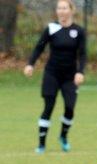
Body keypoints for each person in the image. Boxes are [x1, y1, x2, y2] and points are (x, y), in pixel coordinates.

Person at [23, 0, 86, 153]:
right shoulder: (51, 28)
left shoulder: (78, 31)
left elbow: (83, 54)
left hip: (70, 76)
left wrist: (80, 72)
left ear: (71, 10)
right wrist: (30, 64)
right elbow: (39, 47)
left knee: (70, 108)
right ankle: (41, 145)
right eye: (59, 8)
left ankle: (63, 136)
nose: (61, 11)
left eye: (64, 8)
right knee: (48, 106)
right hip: (52, 74)